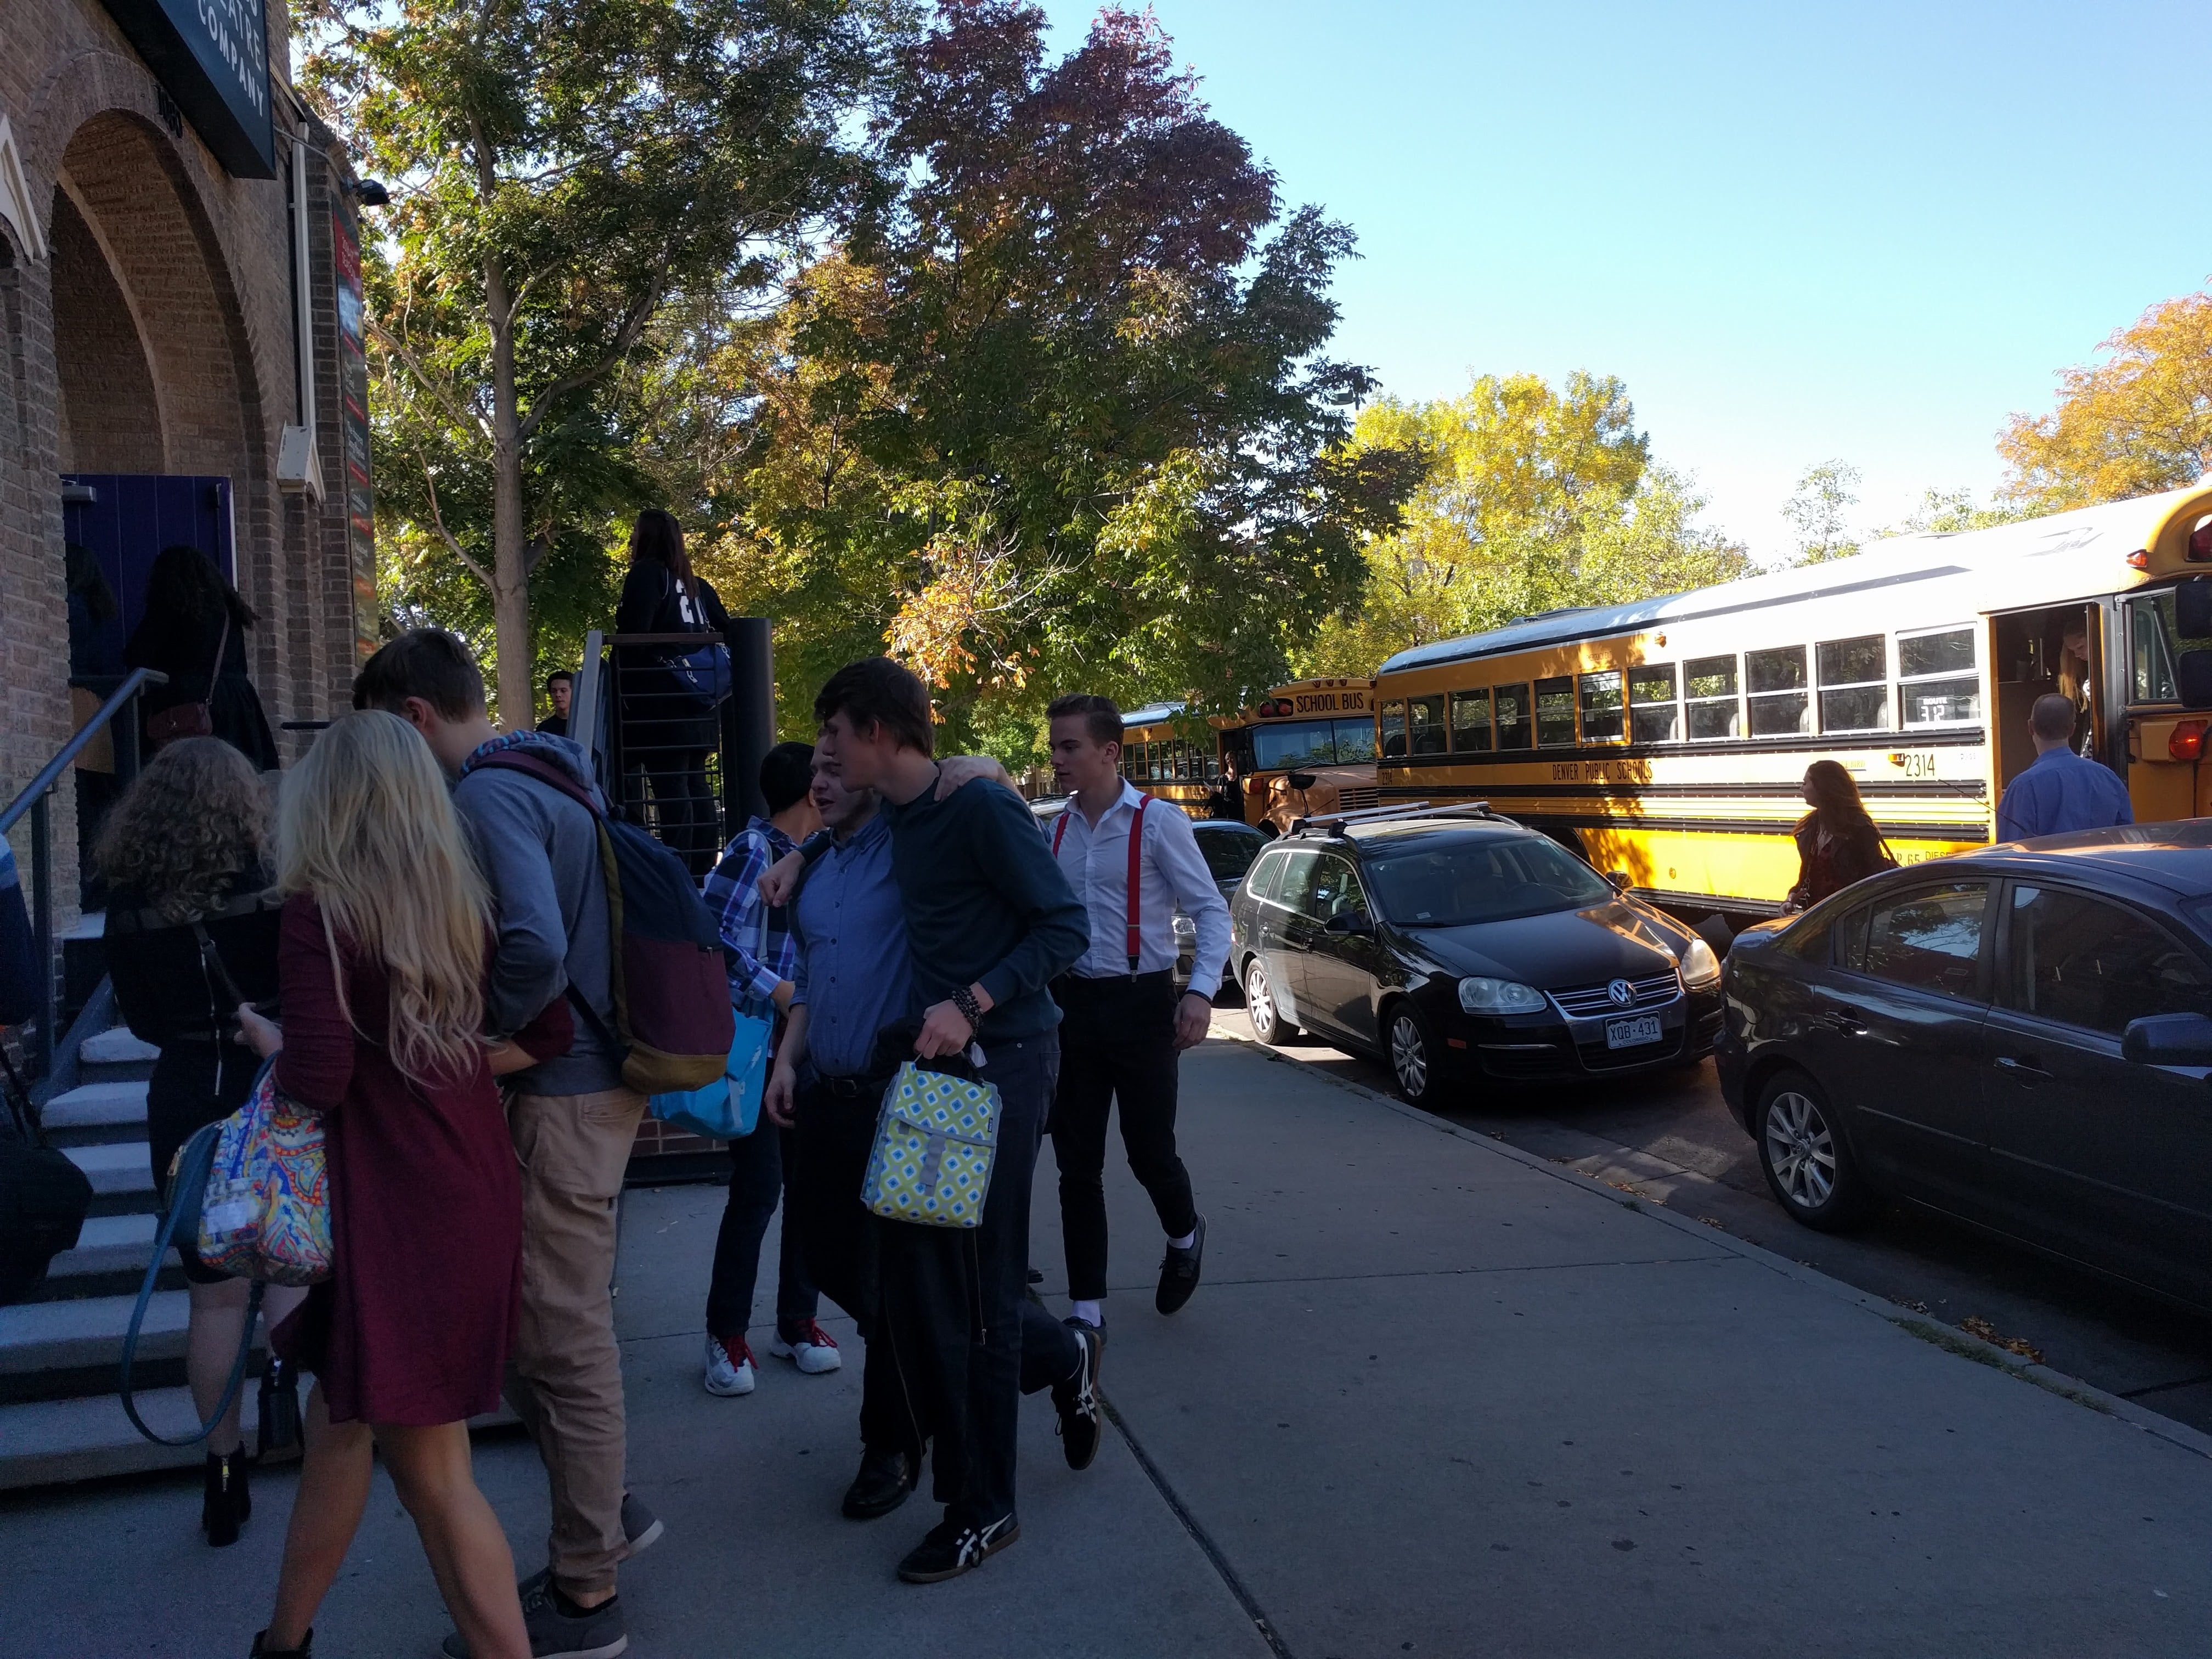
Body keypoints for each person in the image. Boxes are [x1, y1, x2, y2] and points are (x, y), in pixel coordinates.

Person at [235, 709, 569, 1659]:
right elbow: (544, 1033)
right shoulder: (465, 895)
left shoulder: (320, 907)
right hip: (461, 1176)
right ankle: (284, 1640)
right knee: (342, 1421)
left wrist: (270, 1042)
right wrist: (442, 1066)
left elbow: (321, 1074)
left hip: (394, 1201)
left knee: (432, 1468)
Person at [352, 629, 657, 1659]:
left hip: (567, 1088)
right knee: (539, 1332)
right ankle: (606, 1513)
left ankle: (585, 1591)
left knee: (561, 1336)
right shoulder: (550, 772)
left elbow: (532, 938)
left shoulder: (487, 795)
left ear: (412, 719)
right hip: (590, 1082)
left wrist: (478, 1046)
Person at [782, 658, 1099, 1584]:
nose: (826, 751)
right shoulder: (908, 807)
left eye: (836, 730)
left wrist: (973, 997)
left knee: (984, 1295)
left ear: (879, 731)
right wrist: (798, 849)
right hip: (935, 1075)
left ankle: (985, 1508)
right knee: (924, 1291)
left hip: (1003, 1063)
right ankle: (1057, 1369)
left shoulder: (977, 806)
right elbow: (833, 829)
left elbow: (1065, 928)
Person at [96, 738, 306, 1545]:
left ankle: (222, 1469)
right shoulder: (274, 887)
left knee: (213, 1294)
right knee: (290, 1261)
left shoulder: (126, 900)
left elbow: (143, 1020)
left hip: (185, 1096)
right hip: (271, 1088)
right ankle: (285, 1384)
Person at [761, 752, 919, 1520]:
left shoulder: (913, 838)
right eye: (813, 772)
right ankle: (1049, 1352)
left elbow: (977, 775)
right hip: (824, 1089)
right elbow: (811, 977)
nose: (819, 784)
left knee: (896, 1281)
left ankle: (888, 1444)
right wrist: (787, 1062)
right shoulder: (816, 864)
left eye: (836, 767)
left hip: (901, 1099)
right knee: (826, 1258)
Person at [1040, 696, 1228, 1333]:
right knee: (1076, 1164)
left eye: (1069, 747)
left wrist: (1199, 992)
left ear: (1108, 752)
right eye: (1055, 746)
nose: (1057, 758)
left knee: (1149, 1153)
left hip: (1142, 1002)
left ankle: (1184, 1234)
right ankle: (1086, 1307)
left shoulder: (1157, 822)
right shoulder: (1056, 830)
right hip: (1073, 1008)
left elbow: (1211, 911)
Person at [698, 741, 839, 1397]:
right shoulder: (752, 851)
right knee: (759, 1189)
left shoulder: (821, 857)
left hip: (806, 1043)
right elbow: (709, 938)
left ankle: (796, 1323)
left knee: (809, 1188)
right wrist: (776, 989)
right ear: (810, 791)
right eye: (827, 778)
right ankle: (725, 1334)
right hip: (760, 1043)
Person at [614, 510, 729, 873]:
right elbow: (728, 629)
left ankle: (677, 870)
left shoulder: (647, 575)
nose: (631, 541)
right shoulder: (698, 586)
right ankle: (702, 868)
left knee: (670, 786)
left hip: (659, 705)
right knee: (696, 782)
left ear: (646, 538)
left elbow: (634, 634)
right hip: (700, 704)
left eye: (635, 533)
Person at [125, 545, 280, 771]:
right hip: (239, 704)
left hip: (190, 699)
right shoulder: (229, 611)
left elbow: (138, 654)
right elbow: (240, 664)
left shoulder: (172, 606)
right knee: (239, 775)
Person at [1996, 692, 2135, 842]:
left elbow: (2009, 852)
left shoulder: (2024, 787)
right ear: (2072, 729)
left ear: (2031, 727)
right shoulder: (2108, 777)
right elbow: (2126, 838)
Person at [1786, 759, 1893, 910]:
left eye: (1805, 783)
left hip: (1850, 915)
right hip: (1817, 917)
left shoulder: (1858, 826)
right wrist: (1790, 899)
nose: (1801, 788)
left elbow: (1874, 875)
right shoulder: (1810, 827)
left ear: (1821, 786)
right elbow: (1806, 880)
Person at [538, 671, 574, 738]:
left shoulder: (589, 724)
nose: (558, 695)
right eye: (554, 691)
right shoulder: (544, 728)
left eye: (563, 691)